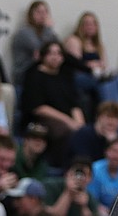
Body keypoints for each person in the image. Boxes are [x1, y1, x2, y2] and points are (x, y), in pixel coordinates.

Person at [19, 41, 83, 169]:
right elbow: (38, 108)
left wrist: (80, 124)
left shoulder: (64, 76)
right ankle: (59, 168)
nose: (55, 57)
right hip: (41, 120)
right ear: (43, 55)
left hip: (67, 120)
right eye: (51, 53)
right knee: (64, 131)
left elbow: (74, 104)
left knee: (84, 133)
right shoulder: (34, 75)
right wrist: (68, 121)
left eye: (59, 53)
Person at [62, 12, 118, 118]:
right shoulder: (74, 40)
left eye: (93, 24)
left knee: (115, 77)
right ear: (81, 26)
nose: (90, 26)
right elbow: (76, 63)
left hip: (95, 75)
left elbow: (104, 65)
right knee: (103, 81)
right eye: (87, 24)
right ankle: (109, 111)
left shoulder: (98, 45)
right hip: (79, 76)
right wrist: (91, 65)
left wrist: (97, 66)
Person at [9, 0, 56, 89]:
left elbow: (58, 50)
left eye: (45, 12)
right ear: (31, 14)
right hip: (24, 77)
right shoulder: (24, 32)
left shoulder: (47, 34)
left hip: (43, 78)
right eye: (39, 12)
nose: (43, 15)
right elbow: (43, 50)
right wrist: (48, 29)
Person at [87, 138, 118, 210]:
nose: (117, 156)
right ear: (106, 151)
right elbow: (91, 199)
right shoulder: (95, 169)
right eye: (114, 151)